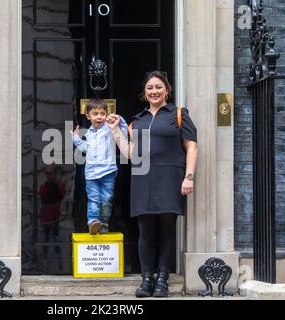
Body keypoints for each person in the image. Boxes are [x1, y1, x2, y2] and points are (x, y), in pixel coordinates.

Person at [107, 71, 198, 298]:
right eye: (150, 88)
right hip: (142, 178)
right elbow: (130, 153)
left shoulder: (179, 114)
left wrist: (189, 176)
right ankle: (147, 279)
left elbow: (192, 147)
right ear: (144, 93)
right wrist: (116, 132)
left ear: (167, 90)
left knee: (167, 230)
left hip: (170, 177)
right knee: (145, 230)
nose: (154, 91)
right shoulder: (138, 120)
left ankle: (163, 280)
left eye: (158, 87)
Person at [72, 99, 128, 235]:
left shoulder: (110, 129)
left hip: (108, 172)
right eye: (95, 113)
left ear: (106, 115)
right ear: (88, 116)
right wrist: (76, 139)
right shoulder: (89, 134)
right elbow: (85, 148)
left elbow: (124, 133)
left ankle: (103, 224)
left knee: (107, 199)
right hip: (91, 173)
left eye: (102, 113)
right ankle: (92, 221)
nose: (99, 116)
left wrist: (119, 119)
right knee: (94, 198)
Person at [38, 163, 66, 270]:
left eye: (51, 173)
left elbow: (62, 195)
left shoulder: (60, 184)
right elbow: (43, 196)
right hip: (47, 217)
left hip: (57, 217)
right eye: (48, 174)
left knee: (56, 240)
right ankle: (44, 263)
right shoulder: (44, 186)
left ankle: (59, 262)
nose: (49, 176)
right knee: (46, 239)